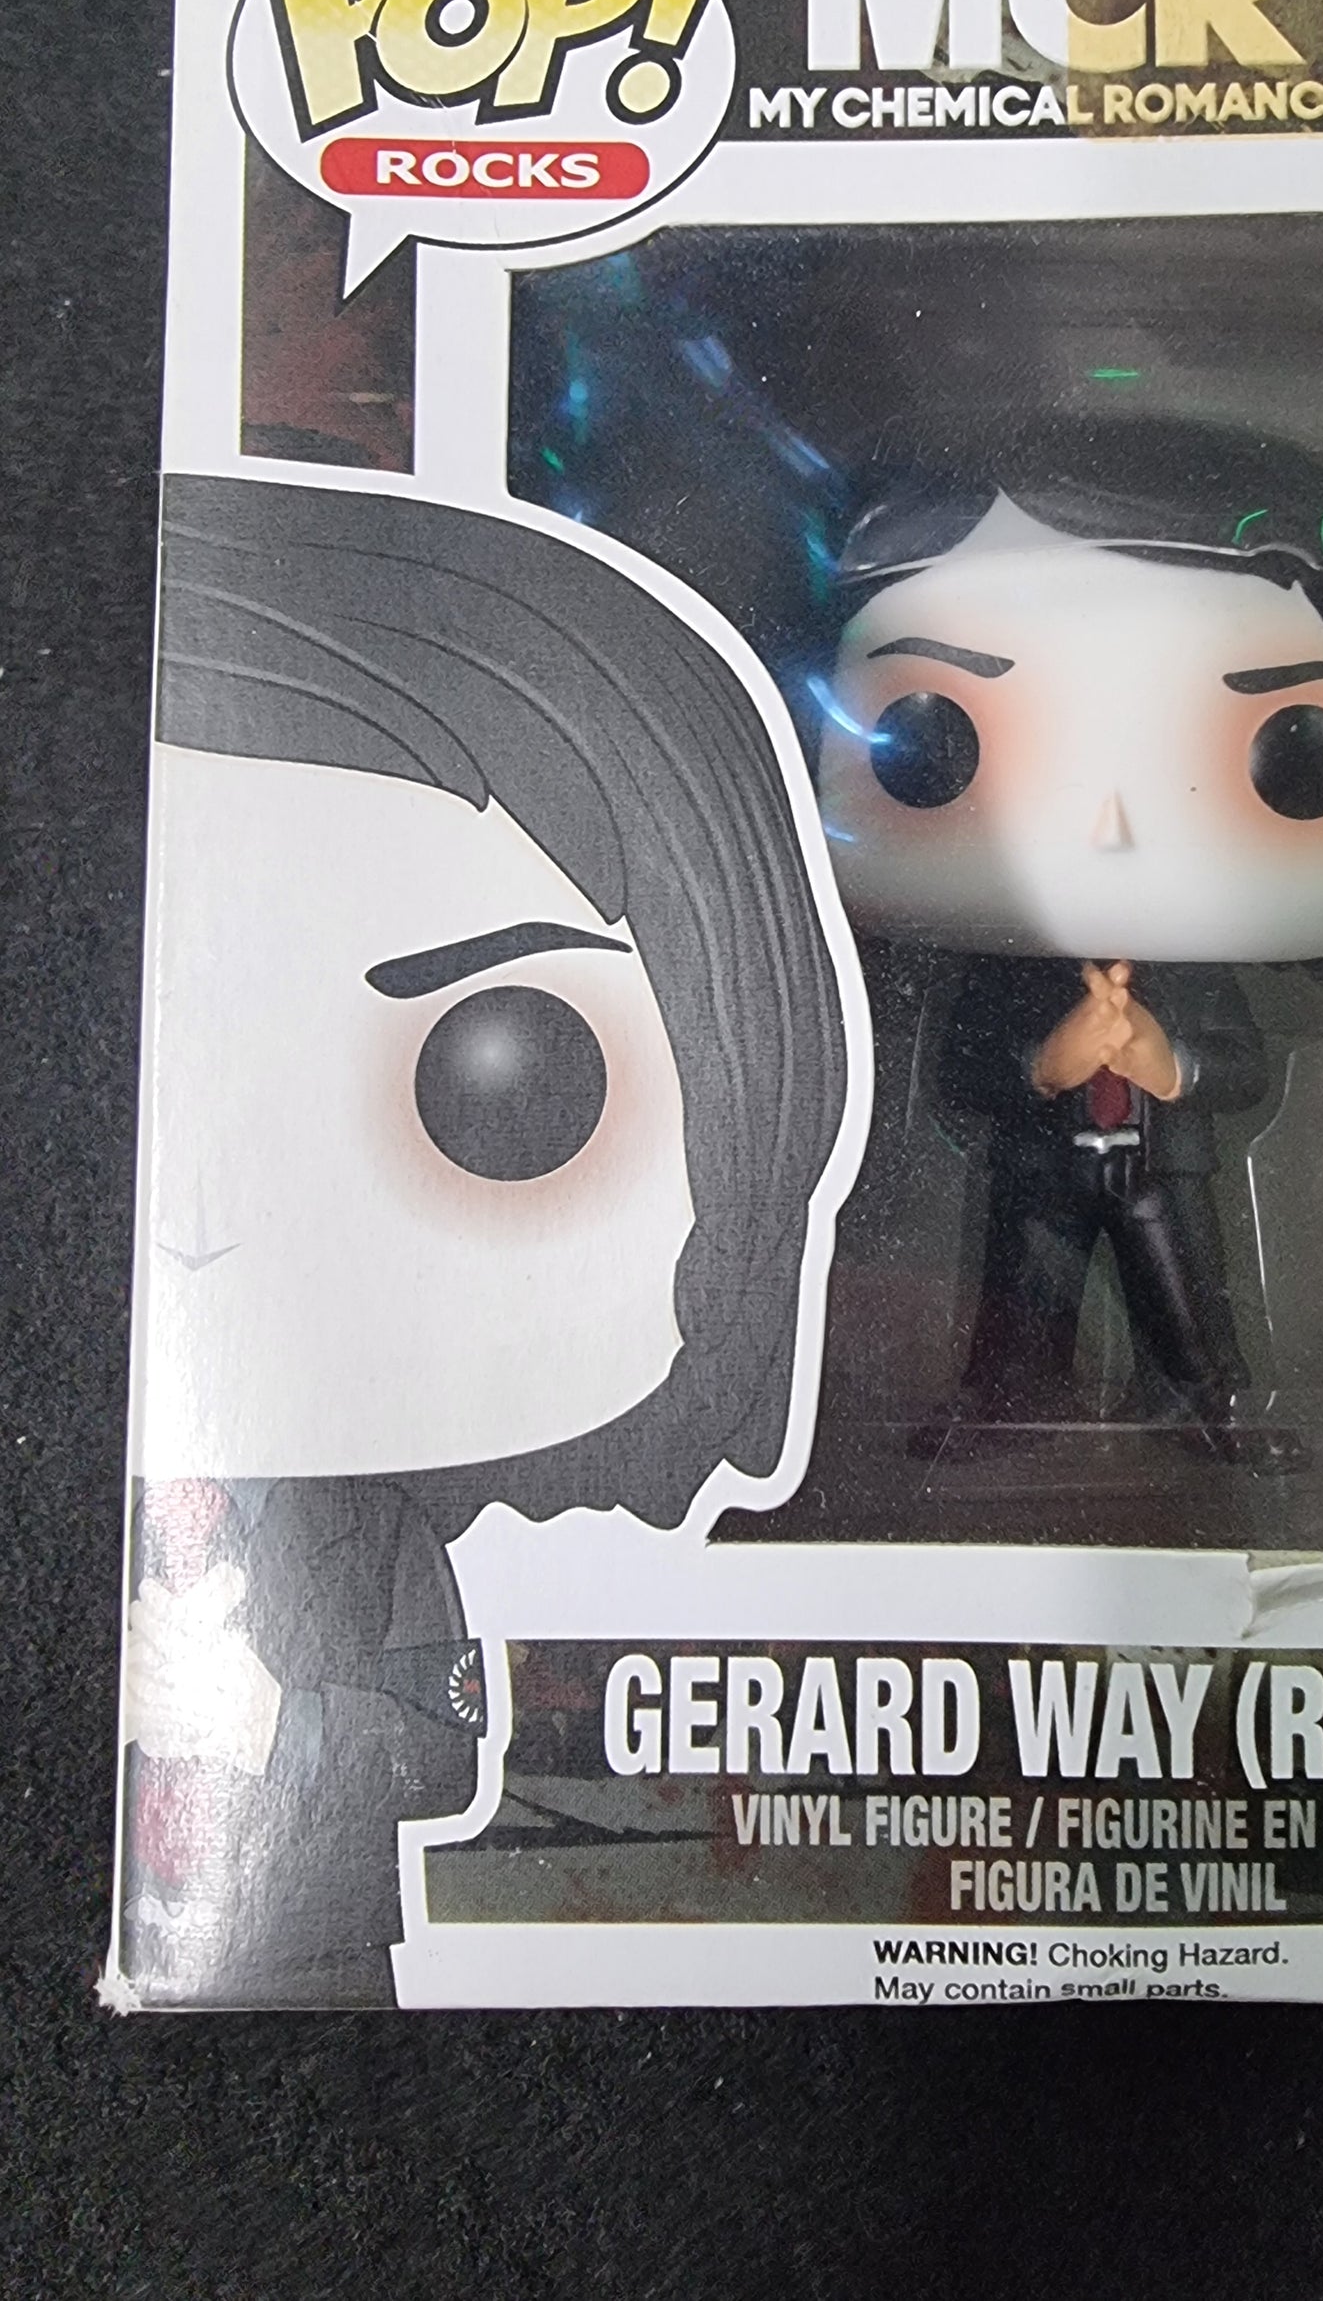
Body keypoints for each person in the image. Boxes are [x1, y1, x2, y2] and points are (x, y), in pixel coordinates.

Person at [120, 474, 852, 2003]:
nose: (210, 1223)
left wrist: (265, 1726)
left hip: (311, 1968)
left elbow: (441, 1744)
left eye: (503, 1079)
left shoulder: (373, 1531)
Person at [813, 421, 1323, 1436]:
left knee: (1187, 1327)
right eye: (938, 734)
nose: (1109, 827)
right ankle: (1002, 1408)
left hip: (1161, 1175)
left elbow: (1241, 1070)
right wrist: (1046, 1062)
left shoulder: (1191, 972)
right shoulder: (1004, 970)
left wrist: (1165, 1059)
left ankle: (1202, 1409)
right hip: (1039, 1172)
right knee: (1017, 1320)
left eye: (1285, 748)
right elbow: (960, 1073)